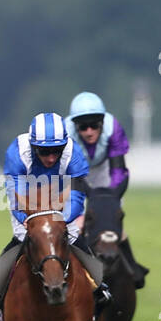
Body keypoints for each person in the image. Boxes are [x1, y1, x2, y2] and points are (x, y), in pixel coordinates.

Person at [0, 112, 111, 317]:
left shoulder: (73, 152)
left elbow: (76, 197)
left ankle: (100, 287)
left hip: (61, 202)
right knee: (23, 238)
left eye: (56, 151)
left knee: (73, 237)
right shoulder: (18, 152)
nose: (51, 157)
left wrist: (59, 221)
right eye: (44, 151)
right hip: (28, 205)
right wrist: (32, 220)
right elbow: (17, 200)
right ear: (33, 146)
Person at [63, 91, 147, 287]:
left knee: (111, 219)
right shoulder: (65, 134)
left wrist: (110, 198)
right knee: (77, 222)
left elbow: (119, 171)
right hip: (71, 173)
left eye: (95, 125)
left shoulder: (113, 127)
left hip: (103, 169)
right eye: (83, 127)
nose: (90, 131)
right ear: (75, 127)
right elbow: (75, 178)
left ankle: (132, 266)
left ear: (102, 123)